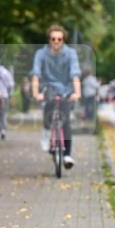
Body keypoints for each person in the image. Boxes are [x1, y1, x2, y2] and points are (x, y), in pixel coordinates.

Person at [30, 25, 81, 168]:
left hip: (66, 88)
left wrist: (77, 92)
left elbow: (75, 73)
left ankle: (67, 155)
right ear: (49, 40)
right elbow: (36, 74)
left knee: (66, 121)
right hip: (48, 87)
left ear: (63, 40)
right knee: (48, 108)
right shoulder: (41, 54)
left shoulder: (71, 53)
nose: (56, 41)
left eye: (60, 39)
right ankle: (46, 133)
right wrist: (36, 93)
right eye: (53, 39)